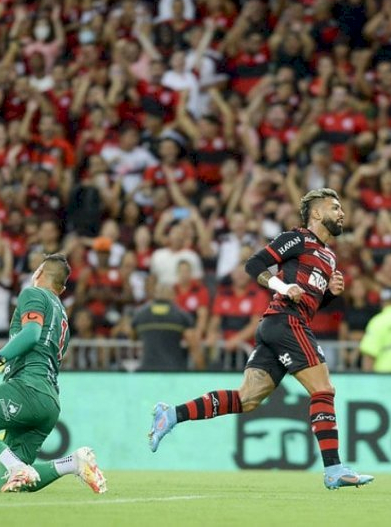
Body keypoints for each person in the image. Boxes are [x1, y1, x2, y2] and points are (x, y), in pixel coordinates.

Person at [148, 188, 373, 490]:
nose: (342, 213)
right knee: (323, 389)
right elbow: (254, 265)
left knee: (247, 399)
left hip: (279, 325)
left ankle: (171, 415)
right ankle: (334, 469)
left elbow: (313, 304)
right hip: (285, 321)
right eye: (335, 207)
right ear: (316, 213)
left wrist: (330, 293)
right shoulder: (297, 238)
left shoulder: (329, 257)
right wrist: (281, 286)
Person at [0, 254, 107, 494]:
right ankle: (72, 463)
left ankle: (15, 464)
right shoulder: (62, 316)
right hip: (48, 402)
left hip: (27, 388)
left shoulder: (34, 294)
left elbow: (31, 334)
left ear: (40, 272)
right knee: (7, 485)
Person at [131, 283, 199, 371]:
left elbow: (131, 336)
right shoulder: (181, 315)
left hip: (147, 368)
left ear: (154, 295)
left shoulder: (140, 315)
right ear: (173, 296)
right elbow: (193, 345)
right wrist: (202, 368)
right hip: (174, 368)